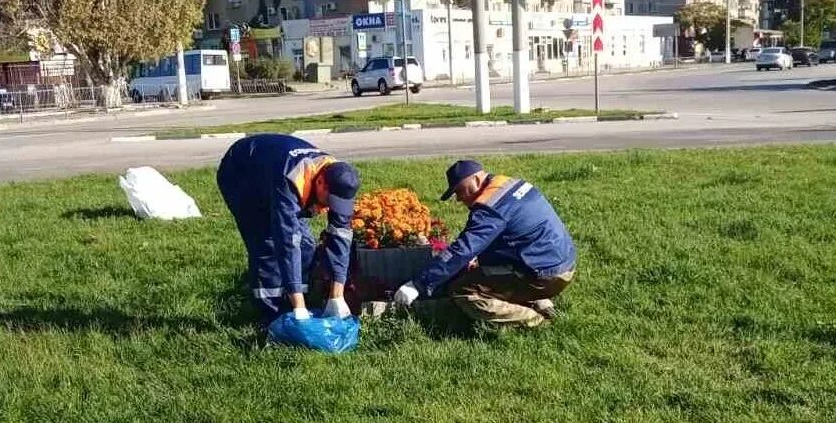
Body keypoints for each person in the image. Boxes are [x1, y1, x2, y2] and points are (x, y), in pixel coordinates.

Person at [393, 159, 576, 328]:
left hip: (542, 275)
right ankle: (540, 300)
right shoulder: (512, 185)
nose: (458, 199)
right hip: (562, 263)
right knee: (482, 271)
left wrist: (418, 284)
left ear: (475, 179)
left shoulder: (492, 207)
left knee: (464, 291)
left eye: (459, 190)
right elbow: (505, 236)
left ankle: (535, 320)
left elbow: (463, 249)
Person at [216, 133, 360, 322]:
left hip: (272, 166)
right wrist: (298, 307)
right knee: (267, 244)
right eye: (329, 201)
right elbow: (286, 242)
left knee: (306, 245)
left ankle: (298, 298)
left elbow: (340, 237)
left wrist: (337, 295)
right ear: (320, 183)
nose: (332, 206)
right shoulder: (291, 179)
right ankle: (273, 315)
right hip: (242, 172)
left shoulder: (340, 181)